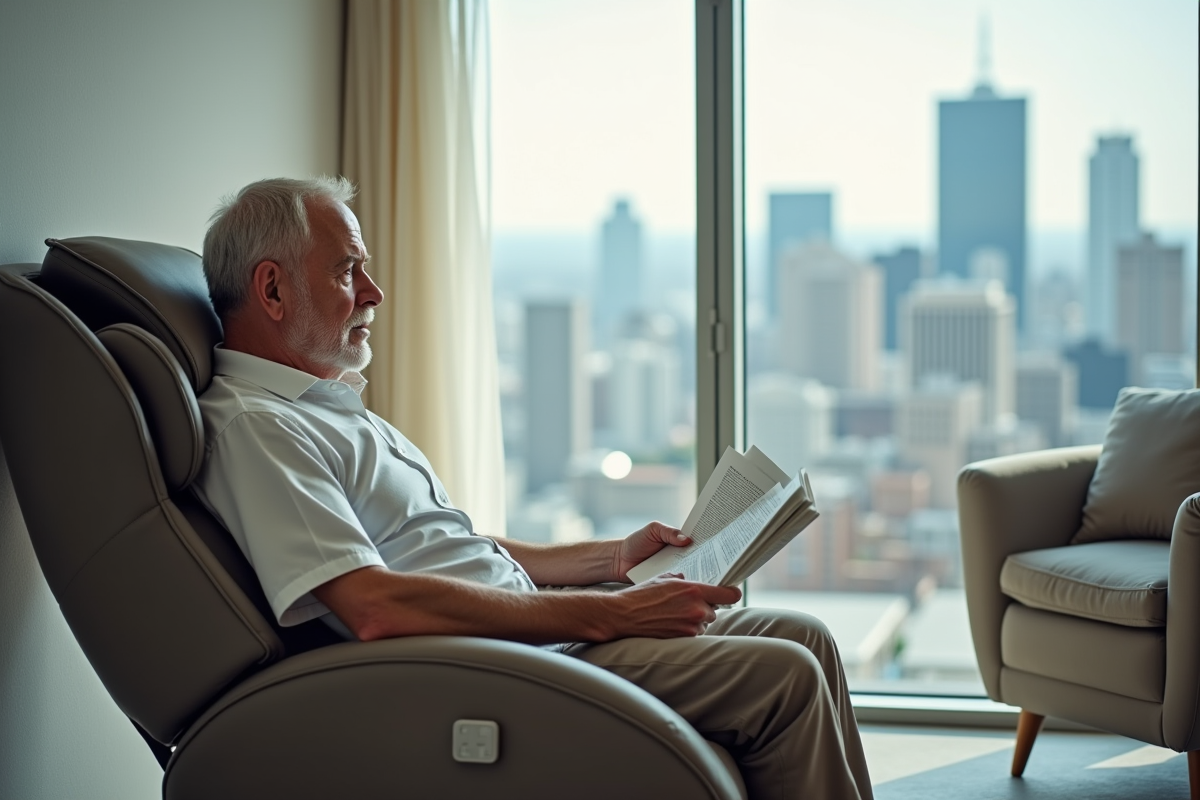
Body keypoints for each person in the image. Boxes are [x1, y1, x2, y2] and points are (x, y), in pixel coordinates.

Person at [193, 176, 874, 800]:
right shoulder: (259, 429)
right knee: (786, 678)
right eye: (348, 270)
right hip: (497, 666)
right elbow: (372, 604)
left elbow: (448, 548)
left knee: (806, 638)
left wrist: (610, 563)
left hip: (537, 632)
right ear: (273, 290)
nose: (372, 292)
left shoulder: (323, 410)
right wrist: (610, 613)